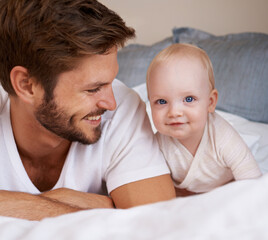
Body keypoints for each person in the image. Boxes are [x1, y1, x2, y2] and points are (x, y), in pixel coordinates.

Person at [0, 0, 176, 220]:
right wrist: (96, 206)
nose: (110, 103)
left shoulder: (123, 109)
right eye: (93, 89)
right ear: (27, 85)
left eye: (110, 83)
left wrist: (16, 204)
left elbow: (158, 223)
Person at [146, 43, 262, 196]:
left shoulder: (223, 137)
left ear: (210, 102)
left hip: (228, 190)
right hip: (185, 196)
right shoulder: (157, 143)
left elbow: (253, 183)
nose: (174, 112)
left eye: (188, 99)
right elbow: (149, 183)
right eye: (161, 101)